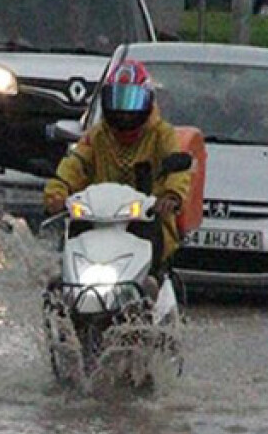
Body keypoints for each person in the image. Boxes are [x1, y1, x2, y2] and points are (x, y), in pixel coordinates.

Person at [44, 57, 192, 274]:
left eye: (132, 102)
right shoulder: (97, 135)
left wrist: (171, 196)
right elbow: (75, 163)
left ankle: (152, 291)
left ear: (148, 102)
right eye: (117, 101)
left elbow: (178, 168)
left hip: (145, 221)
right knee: (61, 271)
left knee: (153, 270)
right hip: (97, 219)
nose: (124, 112)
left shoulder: (162, 134)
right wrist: (57, 192)